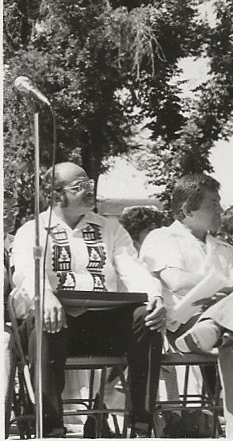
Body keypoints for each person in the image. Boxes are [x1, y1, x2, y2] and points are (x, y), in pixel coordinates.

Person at [10, 162, 166, 437]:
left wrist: (154, 297)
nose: (89, 191)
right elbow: (26, 271)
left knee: (147, 318)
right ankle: (51, 427)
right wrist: (44, 294)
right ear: (56, 194)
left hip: (102, 326)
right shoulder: (31, 230)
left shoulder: (110, 229)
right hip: (55, 325)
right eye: (79, 187)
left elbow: (132, 268)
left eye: (89, 185)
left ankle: (140, 422)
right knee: (46, 320)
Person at [140, 173, 233, 438]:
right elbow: (176, 280)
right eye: (212, 204)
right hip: (180, 326)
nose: (220, 209)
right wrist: (223, 288)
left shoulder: (224, 248)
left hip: (218, 327)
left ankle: (213, 328)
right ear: (187, 209)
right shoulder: (162, 238)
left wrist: (227, 296)